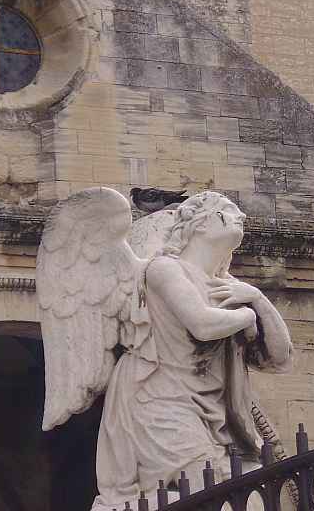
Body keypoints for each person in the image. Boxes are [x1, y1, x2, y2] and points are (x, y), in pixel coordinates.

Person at [92, 191, 294, 510]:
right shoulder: (163, 270)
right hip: (157, 398)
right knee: (215, 490)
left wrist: (257, 298)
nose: (239, 216)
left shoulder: (229, 286)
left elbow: (279, 359)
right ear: (199, 224)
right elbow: (201, 324)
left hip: (210, 409)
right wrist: (246, 315)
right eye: (226, 211)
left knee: (252, 493)